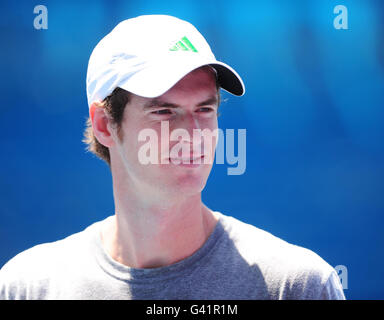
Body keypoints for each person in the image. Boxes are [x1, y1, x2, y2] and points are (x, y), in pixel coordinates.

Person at [0, 14, 345, 300]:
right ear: (105, 124)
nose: (193, 132)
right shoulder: (28, 287)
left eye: (205, 109)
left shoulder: (297, 286)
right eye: (165, 111)